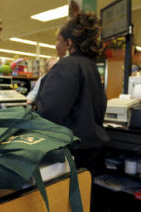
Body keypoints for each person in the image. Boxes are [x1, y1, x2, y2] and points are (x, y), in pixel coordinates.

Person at [34, 12, 110, 176]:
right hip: (91, 148)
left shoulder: (66, 65)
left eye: (58, 41)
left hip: (72, 149)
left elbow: (49, 112)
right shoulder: (90, 66)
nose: (56, 45)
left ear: (68, 43)